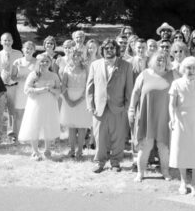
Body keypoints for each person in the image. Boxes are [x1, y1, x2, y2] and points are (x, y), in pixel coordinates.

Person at [87, 38, 135, 173]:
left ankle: (115, 162)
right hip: (99, 107)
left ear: (116, 50)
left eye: (112, 48)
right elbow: (90, 87)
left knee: (118, 137)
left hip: (118, 107)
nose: (109, 50)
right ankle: (99, 162)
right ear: (102, 50)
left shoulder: (126, 65)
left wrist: (127, 106)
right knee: (99, 136)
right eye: (106, 48)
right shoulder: (95, 65)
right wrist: (90, 105)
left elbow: (129, 88)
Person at [128, 51, 174, 181]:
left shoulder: (172, 75)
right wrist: (131, 109)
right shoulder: (144, 74)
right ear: (153, 61)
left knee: (163, 146)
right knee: (145, 145)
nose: (161, 63)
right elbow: (135, 93)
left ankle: (165, 172)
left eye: (163, 60)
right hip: (146, 114)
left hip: (165, 116)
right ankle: (140, 173)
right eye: (158, 60)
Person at [169, 57, 195, 195]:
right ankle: (183, 182)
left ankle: (193, 184)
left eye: (193, 68)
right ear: (183, 69)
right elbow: (171, 104)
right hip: (180, 120)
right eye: (187, 68)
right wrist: (172, 118)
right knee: (182, 150)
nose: (190, 70)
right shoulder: (176, 83)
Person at [18, 54, 61, 160]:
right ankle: (35, 151)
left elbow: (59, 90)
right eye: (42, 61)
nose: (45, 63)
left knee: (48, 125)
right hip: (36, 103)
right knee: (35, 125)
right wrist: (40, 90)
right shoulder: (33, 74)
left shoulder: (54, 75)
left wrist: (51, 90)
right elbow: (27, 89)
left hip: (50, 103)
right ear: (38, 63)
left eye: (47, 61)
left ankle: (47, 149)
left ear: (50, 63)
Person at [59, 50, 93, 159]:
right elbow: (63, 84)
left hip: (82, 98)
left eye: (79, 55)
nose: (76, 57)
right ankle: (72, 150)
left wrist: (82, 97)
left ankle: (80, 151)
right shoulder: (67, 68)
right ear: (71, 56)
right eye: (74, 55)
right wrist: (68, 100)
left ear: (82, 57)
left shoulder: (85, 68)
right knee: (72, 126)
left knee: (82, 126)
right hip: (69, 97)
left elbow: (89, 83)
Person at [10, 41, 37, 143]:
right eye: (26, 48)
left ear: (34, 50)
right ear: (23, 49)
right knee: (19, 114)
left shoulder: (37, 62)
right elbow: (12, 76)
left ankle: (30, 136)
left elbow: (40, 76)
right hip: (20, 90)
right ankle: (17, 136)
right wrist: (19, 78)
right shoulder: (17, 62)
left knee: (31, 114)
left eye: (30, 48)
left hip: (32, 91)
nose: (28, 50)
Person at [0, 33, 23, 143]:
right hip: (0, 86)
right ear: (1, 42)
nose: (7, 42)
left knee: (13, 111)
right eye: (5, 40)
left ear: (12, 41)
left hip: (13, 86)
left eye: (9, 40)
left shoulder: (19, 54)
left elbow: (21, 69)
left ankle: (13, 134)